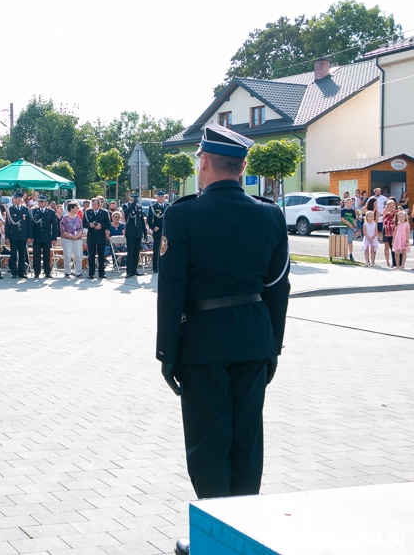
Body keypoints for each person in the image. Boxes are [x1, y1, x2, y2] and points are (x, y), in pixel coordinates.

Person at [156, 124, 289, 555]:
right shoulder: (269, 214)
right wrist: (272, 348)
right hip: (254, 339)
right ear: (244, 166)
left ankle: (215, 540)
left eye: (197, 160)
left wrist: (167, 353)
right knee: (246, 439)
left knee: (207, 443)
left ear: (206, 162)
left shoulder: (183, 214)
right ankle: (244, 532)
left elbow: (171, 290)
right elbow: (277, 288)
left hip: (202, 343)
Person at [5, 192, 32, 278]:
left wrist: (29, 236)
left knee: (22, 254)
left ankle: (21, 272)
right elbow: (7, 225)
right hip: (13, 235)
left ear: (20, 199)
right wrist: (7, 237)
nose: (14, 200)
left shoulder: (25, 209)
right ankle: (14, 272)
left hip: (23, 235)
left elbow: (29, 224)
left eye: (16, 198)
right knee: (13, 254)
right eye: (14, 198)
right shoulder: (10, 210)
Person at [82, 197, 110, 279]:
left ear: (98, 204)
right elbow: (84, 223)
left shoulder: (104, 212)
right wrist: (89, 225)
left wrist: (101, 226)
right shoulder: (87, 212)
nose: (93, 206)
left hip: (100, 236)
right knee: (91, 255)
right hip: (91, 236)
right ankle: (91, 273)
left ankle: (102, 273)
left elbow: (108, 224)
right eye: (92, 204)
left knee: (101, 255)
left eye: (95, 204)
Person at [31, 195, 58, 278]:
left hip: (47, 237)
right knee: (36, 255)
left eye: (41, 201)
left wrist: (54, 238)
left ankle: (47, 272)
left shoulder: (51, 212)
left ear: (46, 203)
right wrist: (31, 236)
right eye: (38, 201)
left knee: (47, 255)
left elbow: (54, 226)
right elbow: (31, 225)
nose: (40, 203)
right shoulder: (33, 211)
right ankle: (37, 272)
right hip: (36, 236)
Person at [121, 193, 148, 278]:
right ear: (130, 199)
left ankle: (134, 270)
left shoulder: (139, 207)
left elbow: (141, 221)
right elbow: (126, 213)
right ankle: (129, 271)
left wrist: (145, 232)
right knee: (130, 252)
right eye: (134, 199)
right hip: (130, 233)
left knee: (136, 252)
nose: (136, 200)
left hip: (138, 232)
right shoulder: (126, 206)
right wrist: (132, 204)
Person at [146, 190, 170, 273]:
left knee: (166, 249)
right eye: (159, 197)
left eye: (162, 196)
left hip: (167, 231)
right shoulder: (153, 207)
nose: (161, 198)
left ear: (165, 197)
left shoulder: (168, 206)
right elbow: (149, 219)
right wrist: (153, 227)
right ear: (156, 198)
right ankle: (155, 267)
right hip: (158, 231)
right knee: (157, 249)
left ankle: (165, 266)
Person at [60, 202, 84, 278]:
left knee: (78, 255)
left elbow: (81, 228)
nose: (77, 209)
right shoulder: (65, 218)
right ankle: (67, 271)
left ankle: (78, 272)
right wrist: (71, 237)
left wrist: (77, 236)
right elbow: (62, 230)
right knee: (67, 255)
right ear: (71, 208)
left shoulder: (78, 218)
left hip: (78, 239)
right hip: (67, 239)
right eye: (76, 208)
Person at [383, 199, 398, 267]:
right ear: (388, 207)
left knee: (396, 248)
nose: (392, 207)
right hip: (388, 233)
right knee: (391, 248)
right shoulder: (387, 214)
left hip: (396, 233)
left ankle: (397, 263)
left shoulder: (398, 213)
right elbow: (384, 222)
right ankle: (393, 263)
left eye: (393, 206)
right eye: (390, 206)